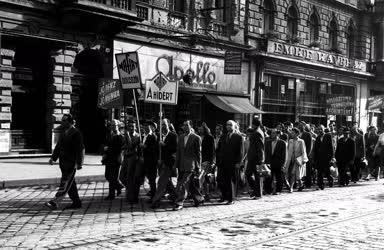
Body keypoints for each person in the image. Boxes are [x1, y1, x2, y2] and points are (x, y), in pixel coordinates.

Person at [45, 114, 84, 210]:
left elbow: (80, 149)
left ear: (69, 121)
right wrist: (53, 158)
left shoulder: (76, 133)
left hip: (71, 163)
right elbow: (58, 147)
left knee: (65, 183)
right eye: (62, 120)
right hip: (63, 163)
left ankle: (55, 202)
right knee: (71, 184)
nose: (62, 122)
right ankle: (76, 202)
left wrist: (79, 163)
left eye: (64, 120)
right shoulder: (64, 132)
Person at [173, 120, 204, 211]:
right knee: (190, 185)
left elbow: (199, 154)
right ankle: (199, 199)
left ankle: (179, 202)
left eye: (187, 125)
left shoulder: (196, 138)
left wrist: (198, 166)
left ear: (191, 126)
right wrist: (176, 165)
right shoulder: (181, 137)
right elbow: (178, 152)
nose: (185, 127)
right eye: (184, 125)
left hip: (191, 165)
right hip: (182, 165)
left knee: (184, 184)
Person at [151, 118, 178, 209]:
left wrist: (164, 145)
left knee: (161, 182)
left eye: (164, 124)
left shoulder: (173, 135)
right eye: (161, 125)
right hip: (161, 162)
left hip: (169, 162)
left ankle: (156, 201)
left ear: (169, 125)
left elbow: (175, 149)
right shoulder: (160, 136)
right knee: (167, 182)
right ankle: (175, 197)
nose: (163, 126)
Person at [216, 120, 244, 205]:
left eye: (230, 125)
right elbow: (218, 149)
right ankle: (224, 196)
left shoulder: (238, 137)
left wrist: (238, 162)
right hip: (222, 162)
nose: (228, 126)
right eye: (227, 125)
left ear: (234, 126)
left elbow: (241, 151)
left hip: (233, 163)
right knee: (221, 180)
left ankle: (231, 198)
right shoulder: (223, 136)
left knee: (231, 180)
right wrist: (217, 160)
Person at [102, 119, 124, 200]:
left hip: (116, 158)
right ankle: (118, 187)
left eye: (115, 125)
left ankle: (112, 194)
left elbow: (118, 148)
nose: (113, 126)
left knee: (112, 177)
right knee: (107, 176)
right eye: (111, 125)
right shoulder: (109, 134)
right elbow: (105, 144)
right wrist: (104, 152)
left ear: (118, 126)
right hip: (109, 158)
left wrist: (108, 148)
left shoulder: (120, 135)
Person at [120, 121, 141, 203]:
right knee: (122, 177)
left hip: (133, 158)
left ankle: (130, 196)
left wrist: (127, 136)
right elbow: (123, 146)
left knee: (130, 177)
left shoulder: (137, 136)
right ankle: (130, 191)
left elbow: (131, 145)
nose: (131, 128)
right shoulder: (125, 135)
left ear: (136, 127)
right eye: (130, 126)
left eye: (133, 126)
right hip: (126, 157)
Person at [245, 117, 265, 199]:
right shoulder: (257, 131)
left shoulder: (257, 132)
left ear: (254, 124)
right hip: (253, 157)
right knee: (250, 174)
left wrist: (260, 160)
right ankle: (256, 191)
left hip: (255, 158)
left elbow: (260, 147)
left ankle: (258, 193)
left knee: (255, 176)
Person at [285, 127, 308, 192]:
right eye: (291, 133)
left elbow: (303, 151)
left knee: (297, 176)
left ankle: (298, 185)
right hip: (291, 160)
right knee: (292, 174)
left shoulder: (301, 141)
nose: (292, 134)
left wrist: (303, 159)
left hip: (298, 160)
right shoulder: (290, 141)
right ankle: (292, 187)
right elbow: (287, 150)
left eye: (293, 133)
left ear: (297, 133)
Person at [264, 129, 286, 195]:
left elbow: (284, 154)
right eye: (271, 133)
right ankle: (268, 190)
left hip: (278, 162)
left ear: (277, 134)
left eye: (273, 133)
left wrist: (283, 164)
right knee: (268, 177)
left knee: (279, 177)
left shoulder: (282, 143)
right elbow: (266, 153)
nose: (271, 134)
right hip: (269, 162)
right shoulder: (268, 142)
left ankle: (278, 190)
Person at [197, 122, 215, 201]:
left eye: (202, 129)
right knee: (203, 179)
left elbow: (212, 150)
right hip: (198, 160)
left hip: (206, 161)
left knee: (201, 178)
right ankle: (206, 194)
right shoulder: (197, 137)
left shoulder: (209, 137)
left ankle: (199, 195)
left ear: (205, 129)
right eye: (199, 129)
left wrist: (210, 161)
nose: (200, 130)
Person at [313, 125, 334, 190]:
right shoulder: (317, 137)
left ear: (324, 129)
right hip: (319, 158)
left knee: (327, 171)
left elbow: (331, 147)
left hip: (326, 158)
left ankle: (330, 179)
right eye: (318, 129)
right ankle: (320, 185)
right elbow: (315, 149)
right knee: (320, 172)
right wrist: (315, 158)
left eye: (321, 129)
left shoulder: (328, 136)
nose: (320, 130)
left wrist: (331, 157)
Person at [142, 121, 159, 199]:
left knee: (152, 179)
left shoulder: (153, 136)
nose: (146, 128)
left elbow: (154, 149)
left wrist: (145, 147)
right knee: (149, 178)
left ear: (151, 127)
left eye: (148, 127)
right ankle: (152, 193)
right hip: (145, 161)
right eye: (145, 126)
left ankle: (153, 196)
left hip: (152, 161)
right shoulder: (143, 136)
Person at [299, 123, 313, 188]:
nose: (300, 127)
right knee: (301, 171)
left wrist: (306, 156)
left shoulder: (308, 134)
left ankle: (308, 184)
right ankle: (301, 183)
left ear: (304, 127)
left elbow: (310, 146)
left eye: (301, 126)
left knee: (307, 171)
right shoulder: (297, 134)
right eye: (299, 126)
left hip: (306, 156)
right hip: (299, 156)